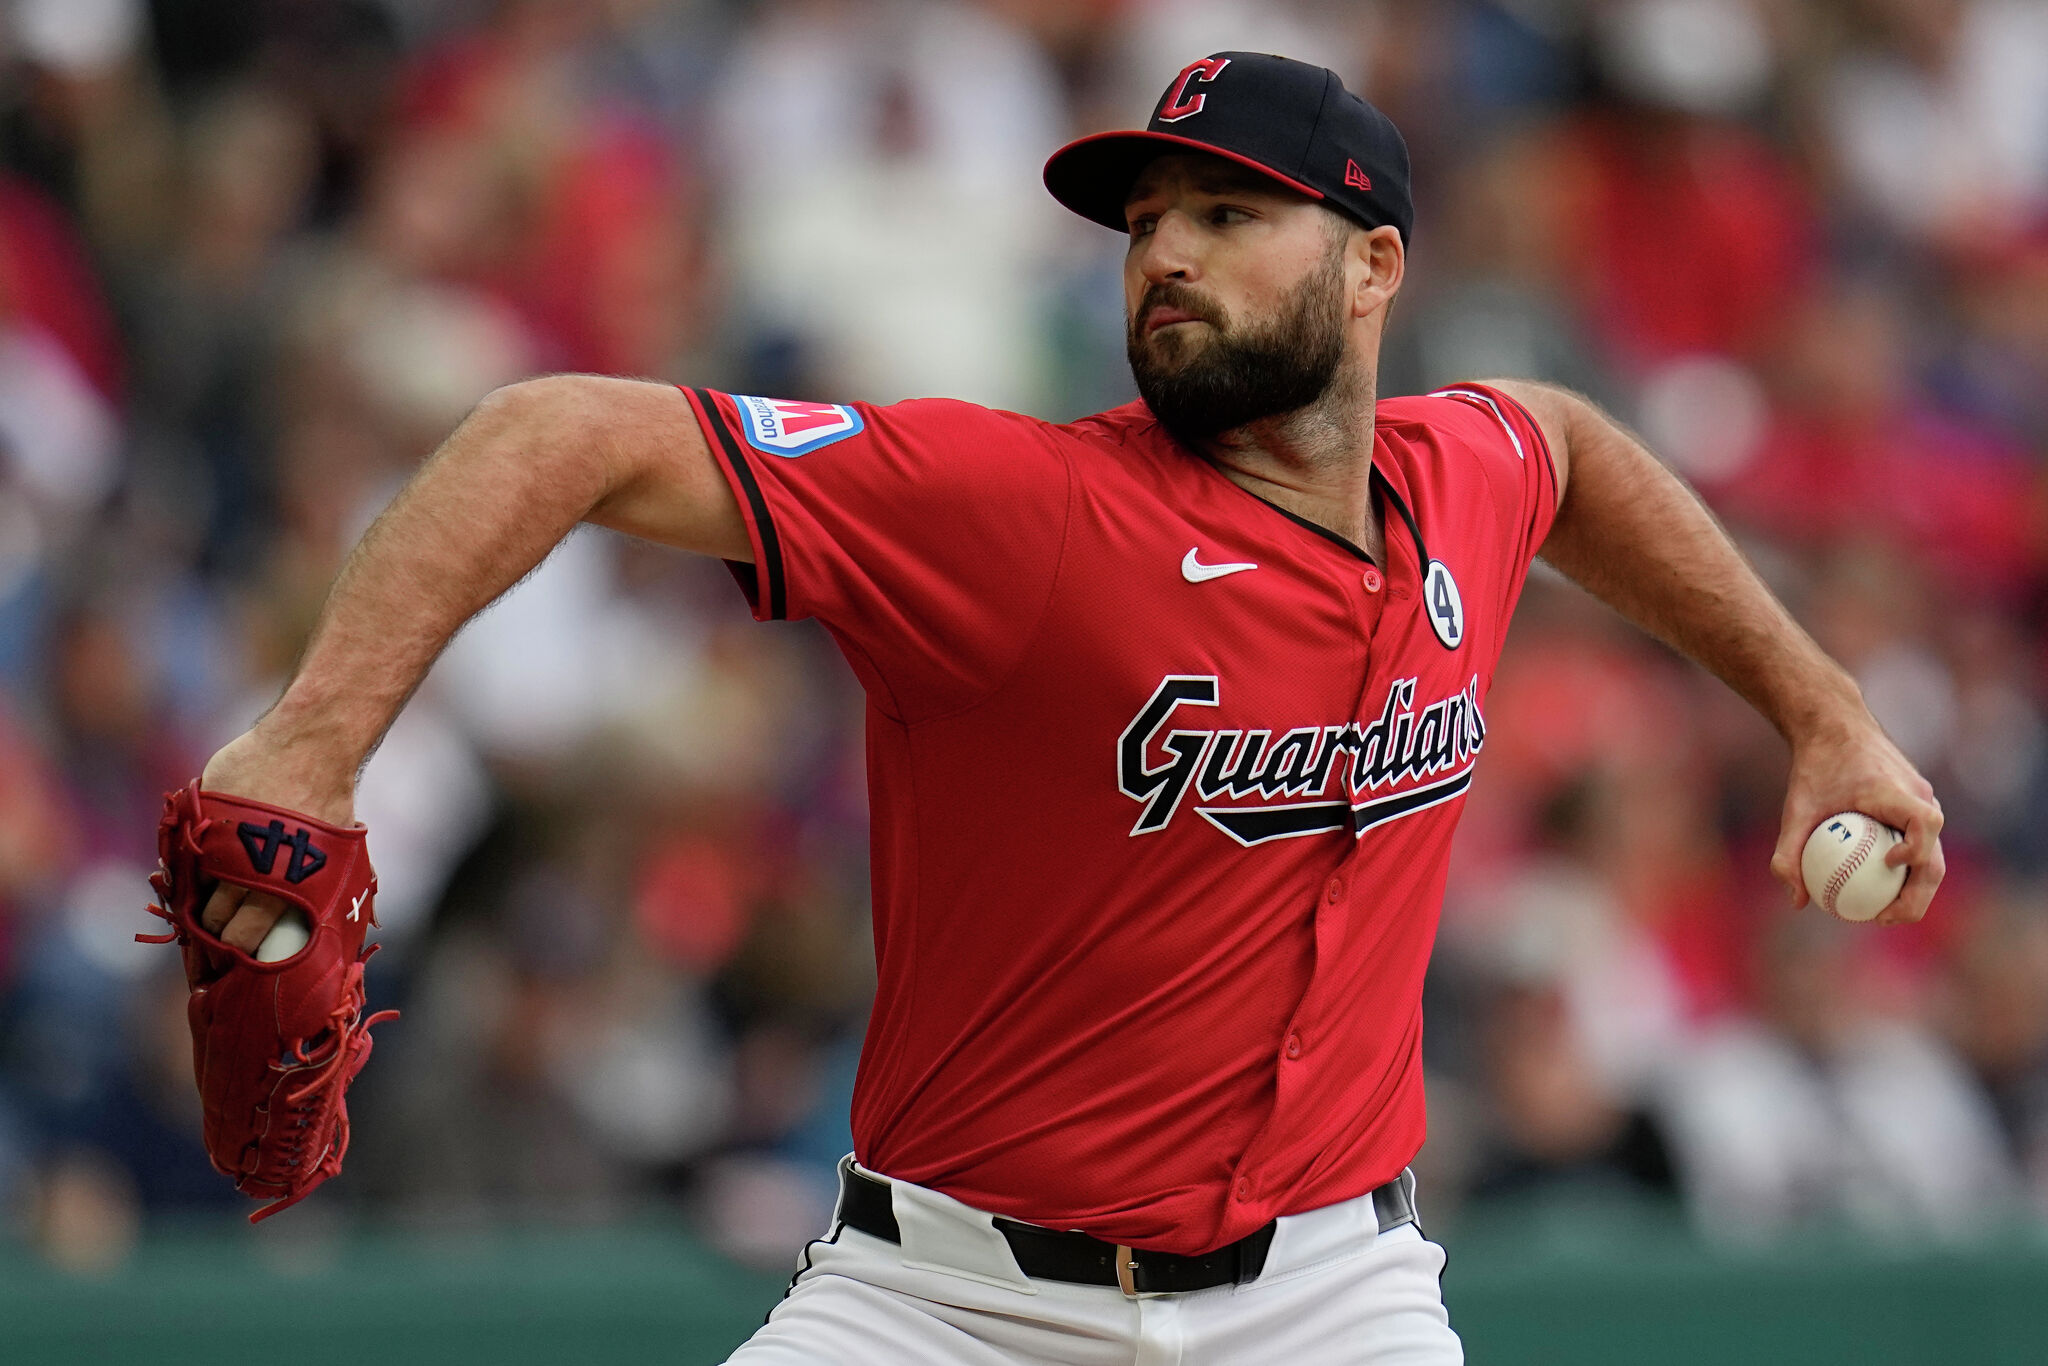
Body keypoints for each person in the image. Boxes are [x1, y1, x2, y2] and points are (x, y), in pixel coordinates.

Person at [191, 53, 1943, 1365]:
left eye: (1229, 217)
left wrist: (1820, 706)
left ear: (1374, 267)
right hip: (945, 1299)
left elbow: (1562, 447)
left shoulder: (1458, 475)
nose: (1163, 255)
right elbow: (554, 427)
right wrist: (313, 740)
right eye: (1147, 224)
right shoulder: (1016, 511)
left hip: (1331, 1291)